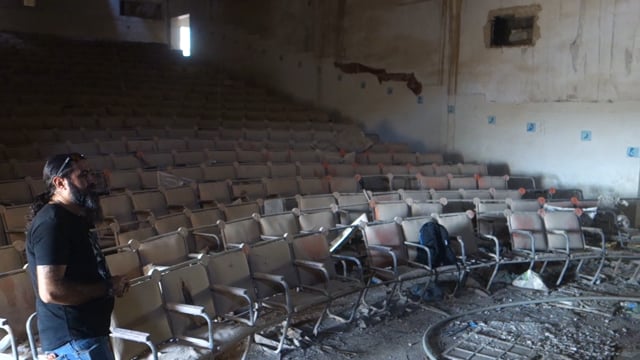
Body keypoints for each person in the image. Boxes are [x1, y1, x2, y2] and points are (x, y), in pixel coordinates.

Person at [26, 153, 128, 360]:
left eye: (90, 174)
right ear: (60, 183)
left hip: (87, 336)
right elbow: (51, 291)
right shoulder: (52, 223)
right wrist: (107, 287)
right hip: (75, 341)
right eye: (83, 175)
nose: (91, 181)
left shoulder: (73, 217)